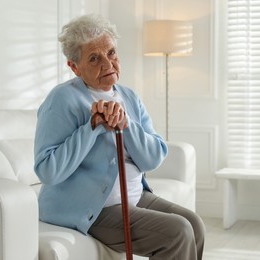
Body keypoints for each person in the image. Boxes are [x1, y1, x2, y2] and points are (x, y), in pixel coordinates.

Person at [34, 13, 205, 260]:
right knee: (177, 232)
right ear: (74, 66)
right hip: (91, 207)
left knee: (194, 224)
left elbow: (153, 159)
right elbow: (47, 171)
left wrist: (126, 125)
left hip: (135, 195)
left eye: (111, 53)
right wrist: (91, 128)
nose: (107, 64)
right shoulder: (61, 100)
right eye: (94, 58)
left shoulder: (129, 97)